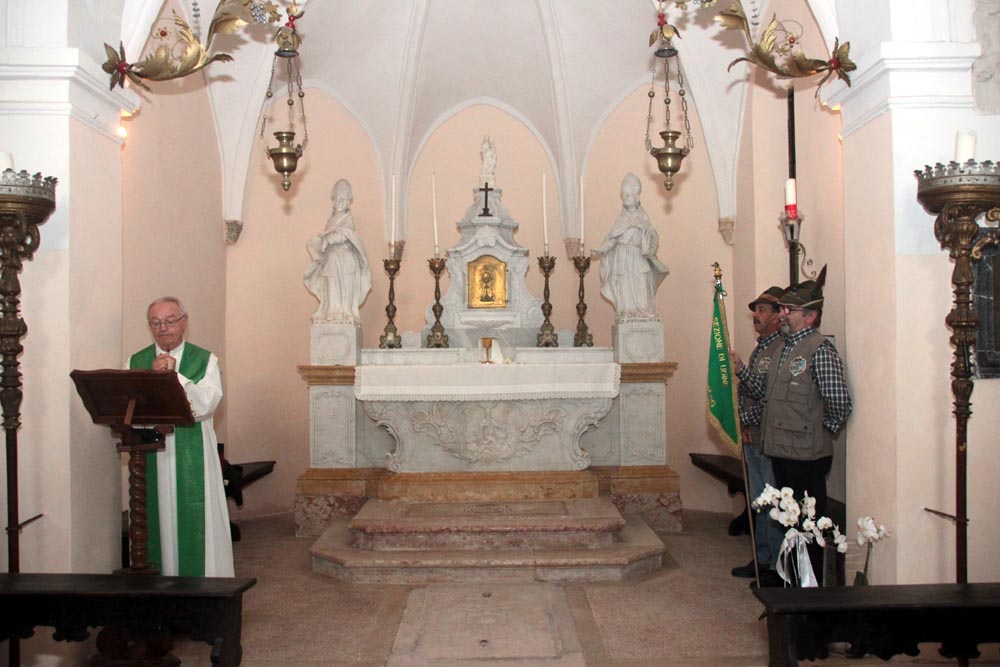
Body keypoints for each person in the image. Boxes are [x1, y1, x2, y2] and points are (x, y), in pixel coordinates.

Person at [734, 268, 852, 583]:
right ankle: (789, 580)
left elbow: (838, 401)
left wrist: (819, 430)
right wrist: (742, 373)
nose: (783, 314)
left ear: (810, 317)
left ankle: (808, 587)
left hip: (807, 456)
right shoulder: (784, 350)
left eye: (790, 310)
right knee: (788, 523)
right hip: (780, 451)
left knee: (807, 525)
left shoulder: (819, 349)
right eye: (783, 308)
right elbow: (763, 393)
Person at [128, 297, 234, 577]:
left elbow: (207, 404)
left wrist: (176, 376)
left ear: (184, 322)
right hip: (151, 453)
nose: (163, 328)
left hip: (192, 450)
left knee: (195, 516)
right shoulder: (136, 361)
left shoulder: (205, 360)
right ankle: (159, 586)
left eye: (170, 320)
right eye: (156, 322)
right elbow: (130, 410)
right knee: (156, 516)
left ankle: (203, 586)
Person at [731, 286, 785, 586]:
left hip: (767, 437)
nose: (756, 314)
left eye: (762, 309)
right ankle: (762, 558)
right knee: (758, 502)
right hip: (753, 435)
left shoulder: (779, 348)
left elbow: (766, 393)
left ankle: (775, 565)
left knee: (772, 502)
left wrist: (740, 370)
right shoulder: (761, 347)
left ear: (778, 315)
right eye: (755, 310)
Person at [591, 173, 669, 318]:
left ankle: (644, 310)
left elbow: (652, 235)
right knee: (625, 285)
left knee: (641, 283)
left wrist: (650, 248)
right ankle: (626, 311)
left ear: (636, 196)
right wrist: (601, 250)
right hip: (623, 258)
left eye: (627, 195)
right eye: (623, 195)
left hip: (639, 257)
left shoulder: (643, 217)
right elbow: (613, 239)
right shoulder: (622, 219)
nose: (625, 198)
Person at [304, 179, 372, 324]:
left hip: (346, 259)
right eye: (337, 199)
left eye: (343, 199)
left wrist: (330, 239)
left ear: (348, 201)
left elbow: (345, 234)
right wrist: (322, 241)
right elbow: (326, 236)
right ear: (333, 200)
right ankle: (332, 311)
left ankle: (346, 312)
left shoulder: (348, 219)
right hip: (332, 260)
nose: (340, 202)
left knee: (345, 286)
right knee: (331, 285)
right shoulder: (331, 220)